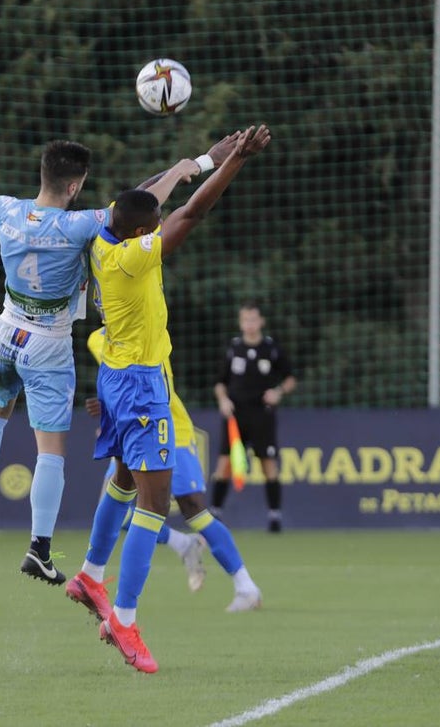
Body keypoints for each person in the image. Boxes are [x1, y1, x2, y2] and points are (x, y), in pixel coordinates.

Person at [0, 136, 235, 585]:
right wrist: (197, 164)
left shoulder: (8, 211)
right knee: (50, 449)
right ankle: (40, 548)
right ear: (75, 186)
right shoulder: (79, 225)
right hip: (47, 340)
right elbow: (140, 207)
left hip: (7, 328)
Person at [67, 124, 272, 673]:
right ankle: (125, 621)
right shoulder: (134, 259)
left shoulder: (106, 235)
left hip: (116, 376)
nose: (160, 220)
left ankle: (90, 573)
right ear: (140, 233)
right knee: (155, 505)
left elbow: (151, 195)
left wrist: (202, 159)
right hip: (141, 385)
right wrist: (236, 163)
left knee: (125, 479)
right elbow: (191, 215)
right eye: (152, 224)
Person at [70, 327, 263, 617]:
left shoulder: (149, 326)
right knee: (115, 511)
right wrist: (110, 410)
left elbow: (157, 382)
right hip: (131, 430)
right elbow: (113, 382)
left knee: (194, 509)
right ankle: (182, 544)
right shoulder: (96, 340)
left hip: (168, 426)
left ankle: (246, 587)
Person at [210, 302, 297, 532]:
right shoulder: (233, 348)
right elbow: (220, 383)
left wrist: (278, 392)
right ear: (240, 323)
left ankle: (274, 517)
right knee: (224, 464)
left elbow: (290, 378)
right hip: (235, 415)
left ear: (261, 322)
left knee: (268, 464)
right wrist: (223, 400)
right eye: (245, 320)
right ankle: (215, 514)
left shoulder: (271, 348)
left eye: (253, 319)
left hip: (262, 415)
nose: (249, 324)